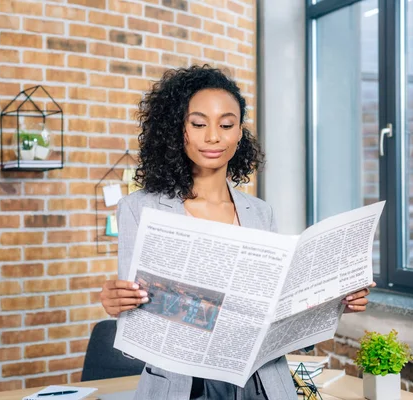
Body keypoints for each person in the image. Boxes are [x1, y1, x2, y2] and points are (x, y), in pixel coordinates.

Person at [99, 65, 374, 400]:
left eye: (226, 124)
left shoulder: (260, 212)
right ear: (178, 129)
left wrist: (335, 300)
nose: (213, 136)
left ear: (239, 132)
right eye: (198, 124)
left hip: (260, 384)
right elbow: (139, 315)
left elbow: (278, 307)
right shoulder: (139, 208)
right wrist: (118, 304)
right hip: (184, 387)